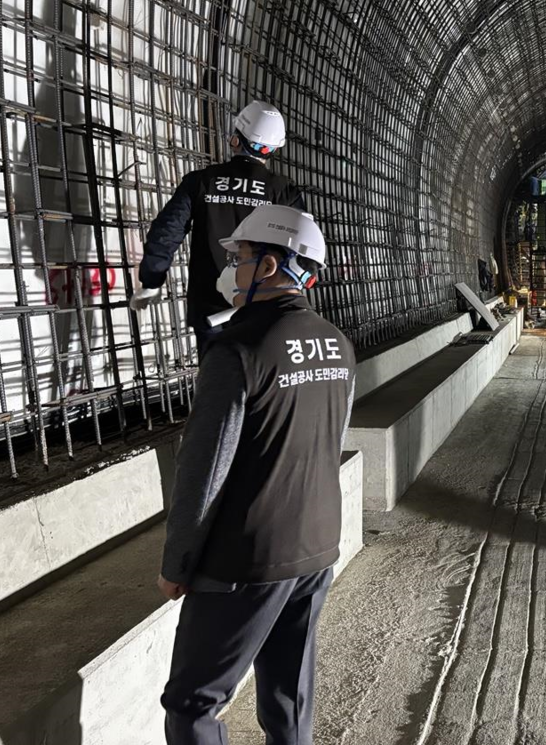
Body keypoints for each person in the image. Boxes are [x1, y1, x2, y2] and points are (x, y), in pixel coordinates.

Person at [158, 205, 355, 744]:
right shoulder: (337, 343)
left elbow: (204, 469)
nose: (234, 269)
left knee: (193, 702)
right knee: (288, 697)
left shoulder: (237, 351)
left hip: (246, 558)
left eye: (242, 257)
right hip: (314, 545)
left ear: (269, 267)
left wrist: (178, 561)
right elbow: (328, 443)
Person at [130, 100, 305, 356]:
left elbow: (166, 232)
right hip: (263, 304)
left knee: (218, 382)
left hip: (210, 308)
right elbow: (302, 246)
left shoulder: (201, 182)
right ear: (273, 148)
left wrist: (151, 280)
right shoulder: (283, 190)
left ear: (235, 140)